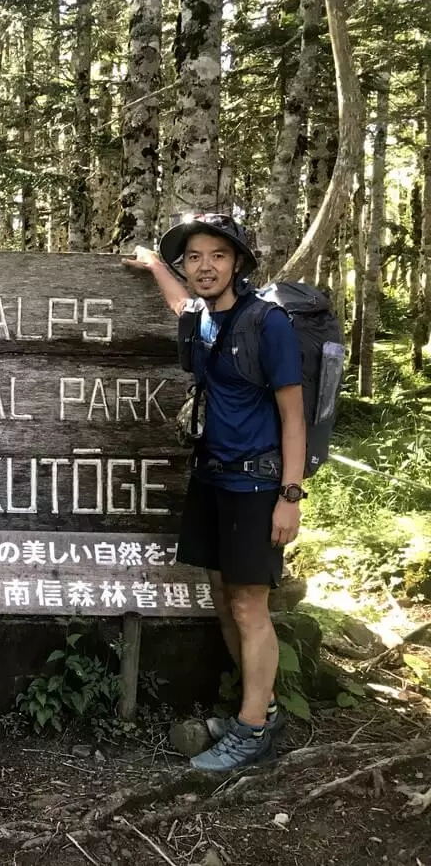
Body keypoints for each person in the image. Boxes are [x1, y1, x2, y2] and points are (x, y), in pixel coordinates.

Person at [123, 213, 306, 771]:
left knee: (250, 605)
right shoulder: (203, 318)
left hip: (257, 483)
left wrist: (290, 496)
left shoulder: (267, 324)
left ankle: (252, 732)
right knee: (226, 598)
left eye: (218, 256)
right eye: (194, 256)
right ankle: (261, 707)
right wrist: (156, 264)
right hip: (212, 478)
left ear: (239, 264)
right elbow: (182, 305)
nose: (204, 267)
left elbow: (292, 416)